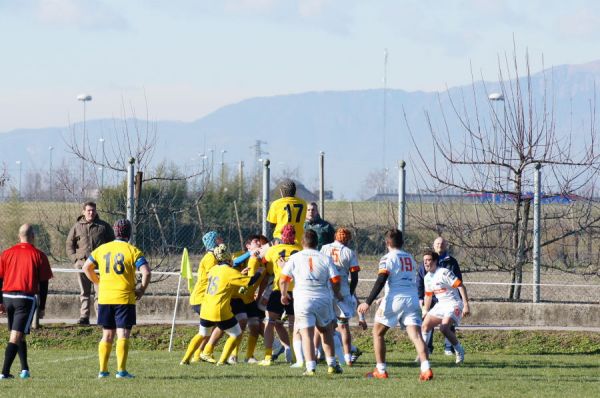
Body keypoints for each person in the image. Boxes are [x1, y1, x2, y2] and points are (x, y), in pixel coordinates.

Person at [357, 229, 433, 381]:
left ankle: (381, 370)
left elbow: (381, 279)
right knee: (417, 335)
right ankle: (426, 369)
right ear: (402, 242)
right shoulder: (410, 258)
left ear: (387, 243)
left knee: (378, 332)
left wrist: (368, 301)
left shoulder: (387, 257)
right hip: (411, 299)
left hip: (395, 299)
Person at [82, 219, 151, 379]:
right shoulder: (133, 251)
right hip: (124, 298)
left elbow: (86, 267)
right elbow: (146, 272)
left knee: (107, 335)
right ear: (129, 233)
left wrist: (98, 282)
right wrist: (141, 289)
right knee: (123, 334)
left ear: (114, 232)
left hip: (105, 297)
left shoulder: (103, 249)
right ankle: (121, 371)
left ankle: (103, 371)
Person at [280, 229, 343, 376]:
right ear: (317, 243)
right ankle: (332, 365)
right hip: (322, 297)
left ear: (302, 242)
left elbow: (283, 279)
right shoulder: (325, 258)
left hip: (302, 299)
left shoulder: (295, 258)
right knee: (325, 331)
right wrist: (336, 291)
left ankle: (310, 368)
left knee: (306, 334)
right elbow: (336, 280)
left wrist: (283, 295)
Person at [0, 224, 53, 379]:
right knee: (16, 335)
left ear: (19, 236)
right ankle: (4, 372)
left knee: (19, 333)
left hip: (8, 297)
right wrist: (42, 306)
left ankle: (25, 370)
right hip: (24, 298)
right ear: (33, 237)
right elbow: (44, 284)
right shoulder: (39, 255)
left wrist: (0, 301)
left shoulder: (6, 254)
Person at [197, 244, 264, 366]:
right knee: (231, 329)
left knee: (211, 331)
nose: (259, 244)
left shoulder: (218, 267)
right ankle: (215, 355)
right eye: (256, 242)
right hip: (228, 300)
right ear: (248, 245)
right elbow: (246, 278)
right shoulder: (233, 259)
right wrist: (258, 270)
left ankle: (243, 356)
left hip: (234, 300)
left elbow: (234, 274)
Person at [259, 224, 302, 366]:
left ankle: (267, 356)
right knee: (294, 324)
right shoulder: (300, 250)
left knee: (270, 322)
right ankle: (297, 356)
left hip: (279, 288)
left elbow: (263, 260)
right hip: (296, 290)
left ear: (281, 236)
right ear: (295, 236)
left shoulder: (274, 250)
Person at [66, 201, 115, 325]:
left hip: (100, 266)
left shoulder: (103, 226)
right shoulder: (77, 227)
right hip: (82, 265)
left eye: (93, 210)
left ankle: (101, 317)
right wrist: (75, 260)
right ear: (83, 212)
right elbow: (69, 245)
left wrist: (108, 260)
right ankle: (84, 316)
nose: (91, 213)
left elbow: (112, 243)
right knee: (84, 292)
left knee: (100, 292)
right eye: (88, 210)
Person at [421, 248, 470, 364]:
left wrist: (466, 304)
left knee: (444, 328)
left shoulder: (444, 272)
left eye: (429, 260)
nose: (426, 263)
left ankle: (459, 350)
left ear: (435, 261)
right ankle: (423, 354)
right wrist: (425, 310)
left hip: (454, 304)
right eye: (424, 261)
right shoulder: (427, 278)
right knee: (425, 325)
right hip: (441, 305)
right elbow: (428, 296)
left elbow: (461, 286)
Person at [180, 231, 223, 364]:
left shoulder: (214, 256)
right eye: (219, 238)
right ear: (215, 241)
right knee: (216, 326)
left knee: (208, 329)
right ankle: (200, 354)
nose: (222, 240)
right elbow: (215, 275)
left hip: (205, 299)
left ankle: (197, 355)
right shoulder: (210, 257)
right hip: (201, 299)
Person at [320, 227, 361, 366]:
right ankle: (348, 357)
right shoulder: (349, 252)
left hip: (326, 287)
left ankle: (319, 355)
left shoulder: (324, 248)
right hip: (342, 288)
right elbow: (354, 277)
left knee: (325, 325)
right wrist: (350, 292)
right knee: (343, 326)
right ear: (348, 240)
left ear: (335, 237)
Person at [267, 179, 307, 244]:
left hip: (281, 238)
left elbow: (271, 225)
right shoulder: (303, 203)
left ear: (281, 192)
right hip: (298, 239)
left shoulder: (276, 204)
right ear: (295, 191)